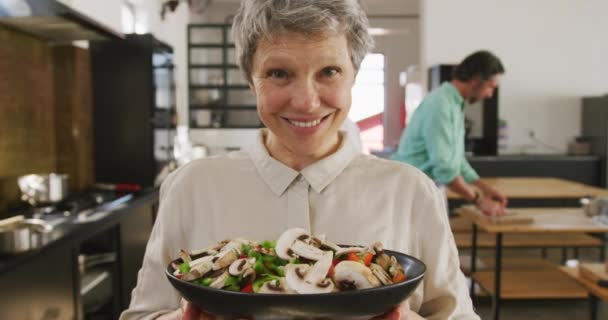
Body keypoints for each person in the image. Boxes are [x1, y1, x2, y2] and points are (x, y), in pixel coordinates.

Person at [120, 1, 479, 319]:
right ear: (251, 80)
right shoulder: (191, 187)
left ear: (354, 75)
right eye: (279, 73)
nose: (306, 102)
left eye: (329, 72)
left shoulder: (412, 191)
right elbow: (142, 314)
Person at [391, 51, 508, 216]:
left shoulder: (454, 104)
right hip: (409, 191)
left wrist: (485, 188)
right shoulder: (441, 104)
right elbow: (445, 168)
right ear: (476, 80)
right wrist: (479, 201)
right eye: (490, 86)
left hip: (424, 188)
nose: (490, 94)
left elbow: (457, 160)